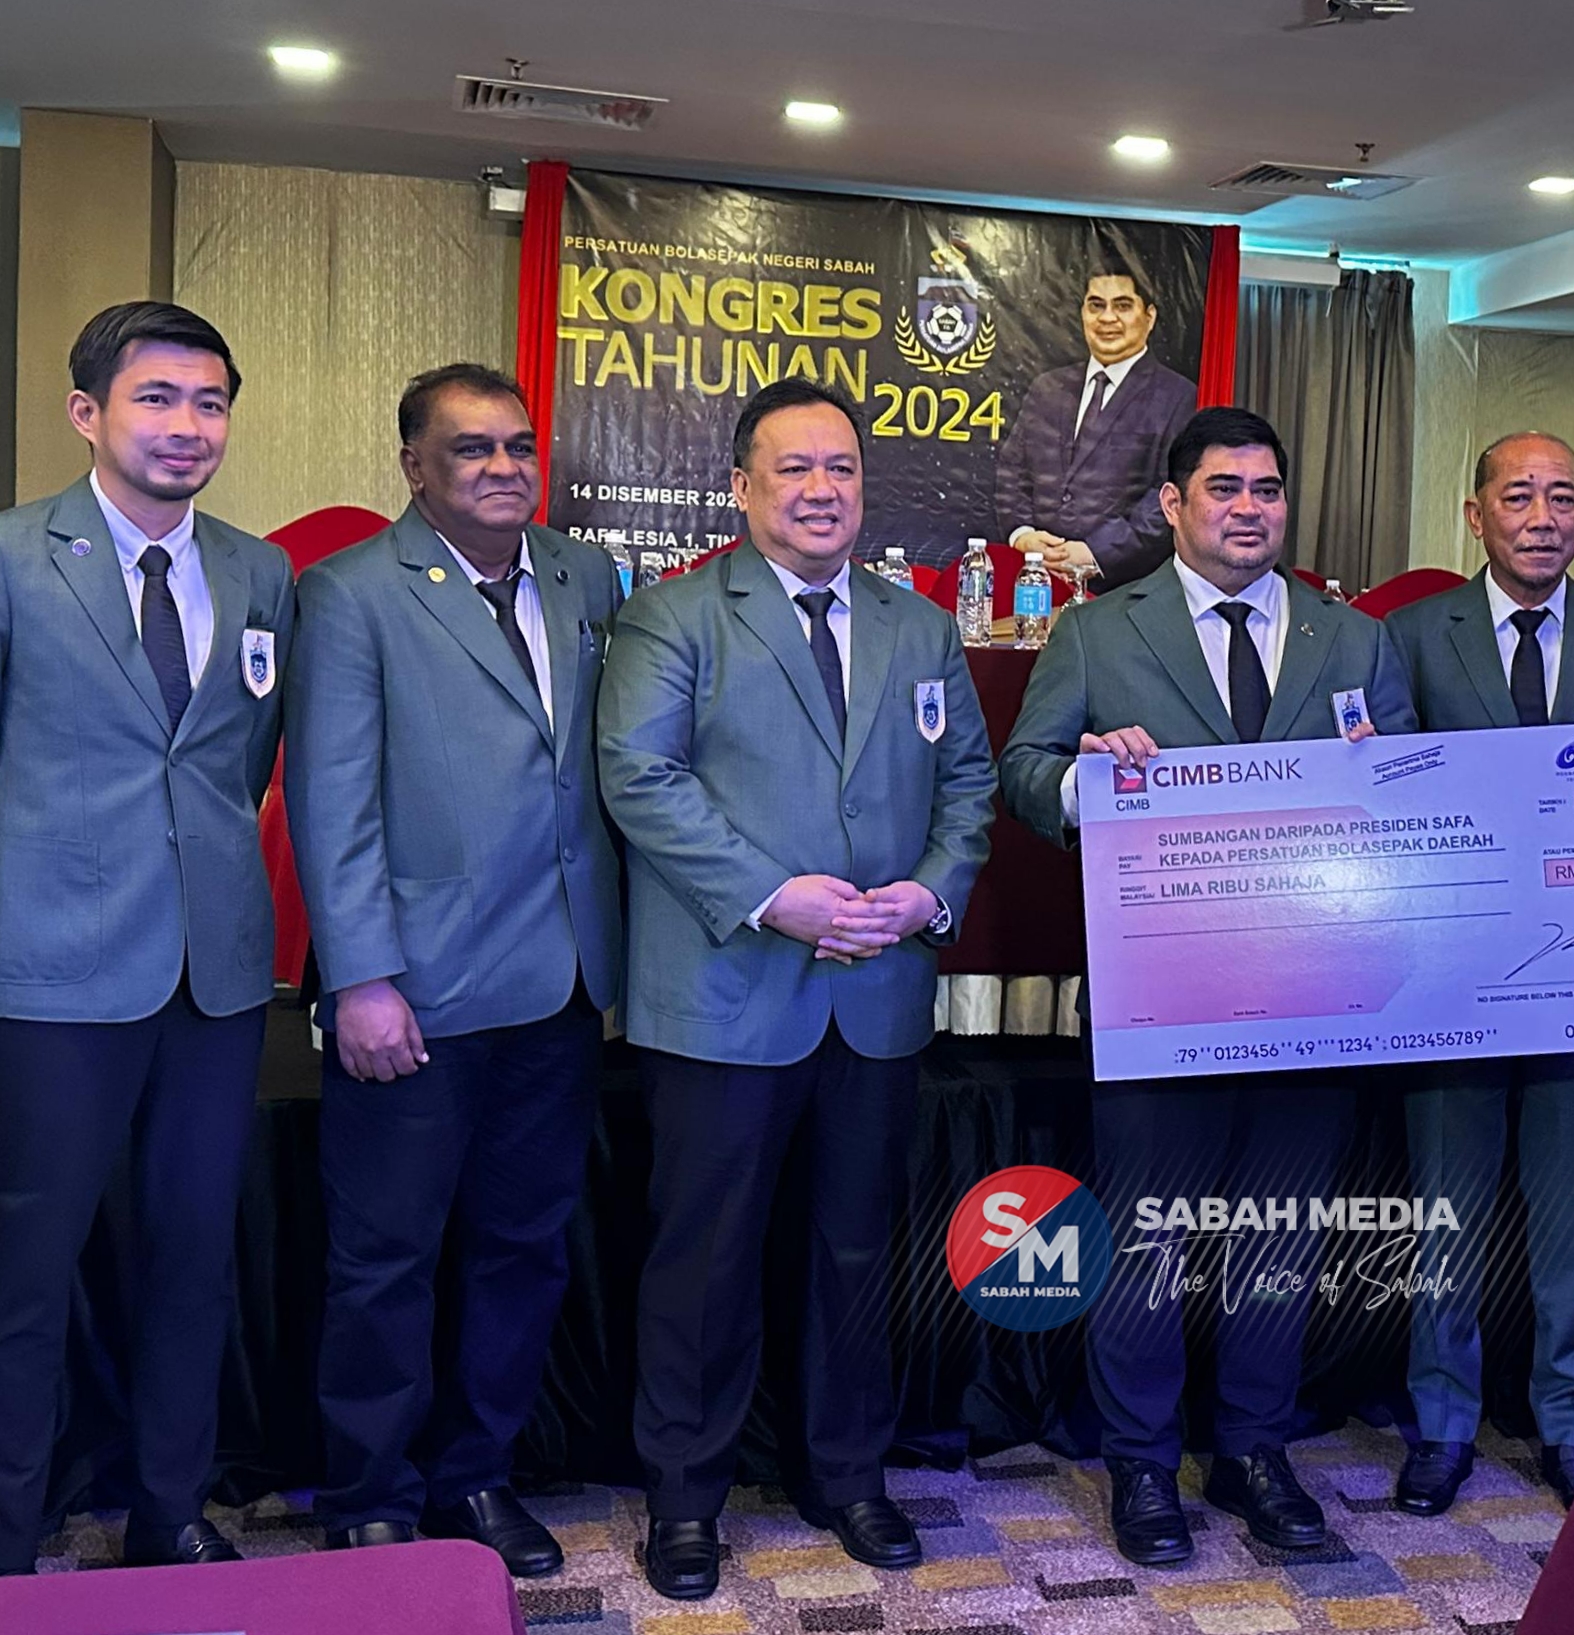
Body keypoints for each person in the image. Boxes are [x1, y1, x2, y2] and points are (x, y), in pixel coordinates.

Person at [598, 378, 994, 1599]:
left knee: (853, 1254)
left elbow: (968, 785)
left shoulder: (919, 626)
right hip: (727, 995)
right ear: (741, 487)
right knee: (704, 1261)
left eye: (843, 469)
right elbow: (639, 777)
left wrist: (928, 895)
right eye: (795, 469)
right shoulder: (674, 615)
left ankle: (848, 1475)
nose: (823, 491)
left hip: (877, 998)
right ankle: (685, 1497)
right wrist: (777, 896)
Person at [1001, 407, 1416, 1567]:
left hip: (1315, 996)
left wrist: (1385, 785)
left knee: (1278, 1234)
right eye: (1224, 488)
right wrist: (1086, 781)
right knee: (1148, 1236)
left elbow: (1412, 787)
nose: (1249, 509)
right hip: (1161, 996)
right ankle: (1140, 1460)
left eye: (1267, 490)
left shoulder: (1354, 640)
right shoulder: (1098, 632)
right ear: (1173, 506)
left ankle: (1253, 1450)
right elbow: (1023, 772)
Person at [287, 364, 624, 1573]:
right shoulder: (349, 593)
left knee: (521, 1251)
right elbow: (331, 800)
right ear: (414, 467)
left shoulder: (587, 577)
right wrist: (360, 978)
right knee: (384, 1260)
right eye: (472, 448)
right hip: (414, 992)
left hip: (562, 981)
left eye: (519, 445)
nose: (503, 467)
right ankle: (369, 1496)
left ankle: (477, 1478)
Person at [0, 302, 294, 1573]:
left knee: (192, 1257)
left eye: (209, 402)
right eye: (157, 398)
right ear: (88, 414)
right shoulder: (15, 559)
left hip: (216, 979)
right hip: (50, 974)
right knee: (25, 1271)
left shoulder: (260, 573)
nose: (188, 426)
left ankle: (170, 1511)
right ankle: (9, 1529)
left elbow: (242, 766)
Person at [1381, 432, 1574, 1511]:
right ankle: (1442, 1422)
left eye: (1562, 498)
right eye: (1518, 497)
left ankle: (1570, 1423)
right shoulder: (1411, 635)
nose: (1541, 518)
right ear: (1475, 514)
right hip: (1454, 977)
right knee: (1445, 1217)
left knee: (1571, 1221)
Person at [994, 261, 1197, 589]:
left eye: (1122, 305)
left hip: (1122, 589)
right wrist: (1023, 536)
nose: (1107, 318)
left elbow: (1169, 494)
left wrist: (1095, 553)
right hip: (1035, 580)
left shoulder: (1178, 397)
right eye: (1096, 305)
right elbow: (1012, 474)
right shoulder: (1048, 388)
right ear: (1083, 314)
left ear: (1149, 317)